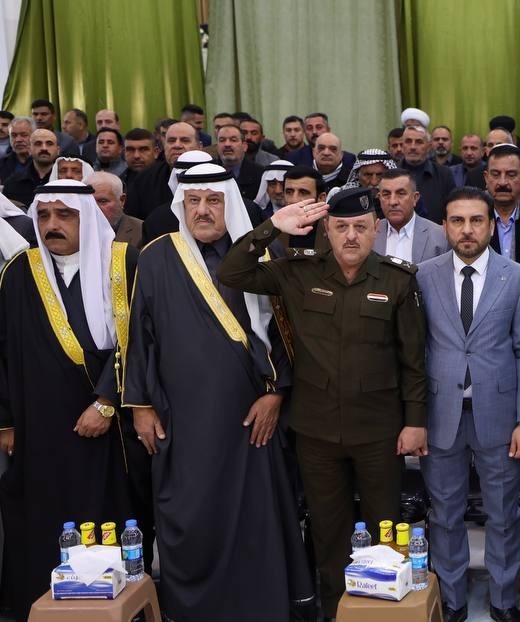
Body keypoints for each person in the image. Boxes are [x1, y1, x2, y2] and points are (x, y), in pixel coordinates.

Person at [218, 186, 428, 620]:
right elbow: (232, 272)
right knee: (328, 531)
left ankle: (381, 611)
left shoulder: (398, 279)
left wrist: (415, 422)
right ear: (326, 230)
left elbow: (413, 359)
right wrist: (271, 226)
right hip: (316, 431)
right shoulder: (298, 272)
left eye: (360, 227)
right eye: (341, 227)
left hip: (378, 431)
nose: (351, 236)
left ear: (376, 229)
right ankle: (336, 611)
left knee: (384, 528)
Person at [121, 163, 314, 620]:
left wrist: (276, 393)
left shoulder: (263, 255)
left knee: (255, 517)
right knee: (191, 515)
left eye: (213, 201)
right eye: (193, 201)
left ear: (231, 204)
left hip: (250, 417)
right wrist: (141, 405)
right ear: (181, 205)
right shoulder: (156, 256)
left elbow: (288, 332)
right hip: (182, 419)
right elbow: (138, 337)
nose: (203, 211)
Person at [0, 180, 142, 618]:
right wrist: (6, 422)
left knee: (108, 521)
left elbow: (142, 340)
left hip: (109, 428)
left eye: (65, 215)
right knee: (42, 522)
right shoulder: (19, 272)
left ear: (88, 218)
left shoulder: (123, 263)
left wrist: (106, 401)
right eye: (43, 215)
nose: (52, 225)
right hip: (38, 429)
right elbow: (2, 351)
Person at [419, 187, 520, 622]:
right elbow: (415, 349)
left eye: (476, 220)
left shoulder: (519, 277)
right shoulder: (422, 276)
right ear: (444, 226)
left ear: (492, 225)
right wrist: (413, 418)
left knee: (503, 515)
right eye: (457, 220)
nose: (466, 230)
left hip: (500, 417)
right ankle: (452, 600)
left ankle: (504, 601)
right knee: (444, 514)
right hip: (440, 415)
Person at [123, 121, 199, 219]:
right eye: (171, 141)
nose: (177, 145)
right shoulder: (145, 179)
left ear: (199, 146)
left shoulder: (215, 176)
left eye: (185, 140)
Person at [484, 144, 520, 272]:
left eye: (511, 175)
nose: (503, 182)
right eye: (496, 174)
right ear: (486, 178)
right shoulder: (475, 220)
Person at [373, 169, 448, 265]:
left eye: (401, 194)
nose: (393, 202)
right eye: (386, 194)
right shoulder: (370, 233)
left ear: (415, 198)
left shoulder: (440, 236)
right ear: (379, 198)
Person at [398, 125, 457, 223]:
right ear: (402, 145)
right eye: (408, 141)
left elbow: (453, 209)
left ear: (429, 146)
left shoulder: (444, 174)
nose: (413, 147)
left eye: (419, 142)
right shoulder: (391, 174)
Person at [86, 171, 144, 248]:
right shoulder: (75, 229)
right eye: (89, 202)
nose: (95, 208)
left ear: (122, 200)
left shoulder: (142, 231)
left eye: (103, 201)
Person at [2, 128, 58, 205]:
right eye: (38, 144)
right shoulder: (12, 184)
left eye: (49, 144)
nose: (44, 148)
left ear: (58, 149)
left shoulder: (65, 182)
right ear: (30, 148)